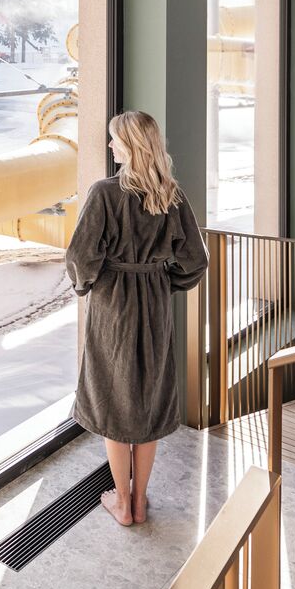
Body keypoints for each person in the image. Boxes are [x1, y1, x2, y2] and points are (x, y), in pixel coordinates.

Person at [66, 109, 208, 527]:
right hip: (154, 301)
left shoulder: (104, 193)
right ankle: (141, 500)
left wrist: (85, 285)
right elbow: (195, 261)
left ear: (129, 145)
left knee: (114, 397)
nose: (110, 145)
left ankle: (122, 503)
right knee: (146, 395)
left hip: (113, 303)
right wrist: (167, 284)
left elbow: (79, 256)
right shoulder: (171, 194)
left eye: (114, 139)